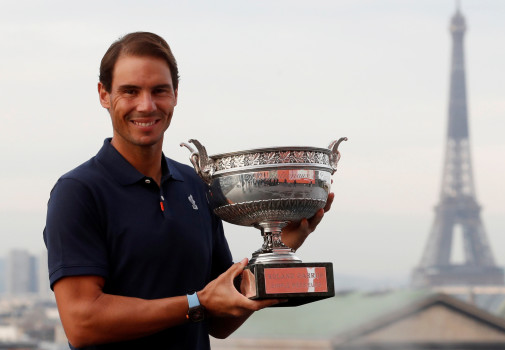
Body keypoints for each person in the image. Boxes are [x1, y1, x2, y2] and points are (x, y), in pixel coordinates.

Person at [43, 32, 333, 350]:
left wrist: (285, 242)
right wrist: (196, 303)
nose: (146, 105)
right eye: (130, 91)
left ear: (176, 94)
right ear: (103, 94)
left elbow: (220, 320)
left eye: (159, 91)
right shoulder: (78, 192)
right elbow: (82, 324)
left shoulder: (196, 184)